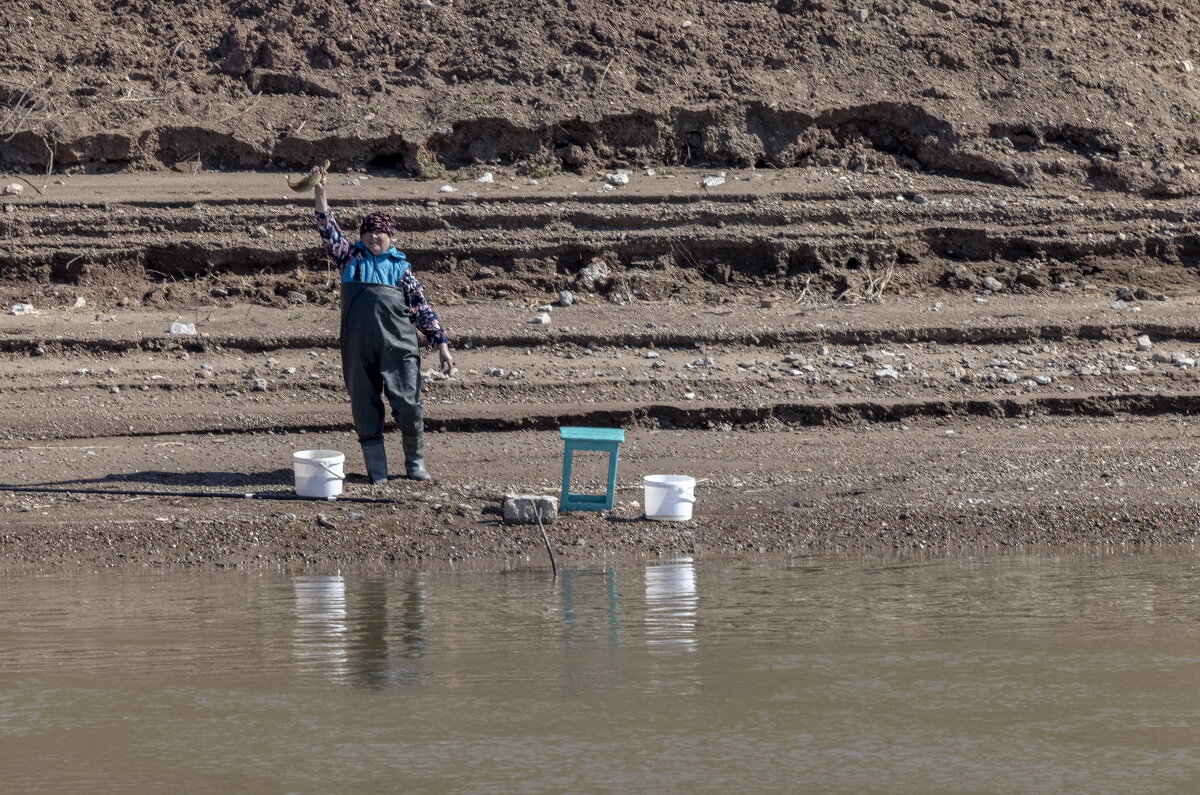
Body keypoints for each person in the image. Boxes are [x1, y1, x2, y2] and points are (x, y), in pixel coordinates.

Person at [311, 169, 454, 483]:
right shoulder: (349, 259)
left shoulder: (401, 269)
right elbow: (327, 228)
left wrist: (440, 342)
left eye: (381, 233)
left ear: (391, 237)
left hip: (399, 344)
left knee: (409, 403)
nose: (374, 237)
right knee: (364, 406)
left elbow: (421, 309)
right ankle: (378, 472)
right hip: (358, 347)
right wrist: (320, 193)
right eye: (369, 232)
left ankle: (415, 464)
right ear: (361, 236)